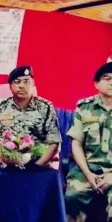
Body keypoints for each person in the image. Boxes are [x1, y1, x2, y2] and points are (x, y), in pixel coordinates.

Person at [65, 62, 112, 222]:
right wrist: (88, 174)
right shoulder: (84, 107)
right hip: (88, 169)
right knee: (73, 196)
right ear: (96, 84)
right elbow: (76, 143)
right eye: (107, 78)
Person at [0, 66, 61, 166]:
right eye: (17, 82)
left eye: (26, 81)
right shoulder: (1, 107)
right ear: (10, 86)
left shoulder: (45, 107)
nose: (21, 86)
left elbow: (54, 143)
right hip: (9, 165)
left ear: (33, 83)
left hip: (39, 165)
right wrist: (6, 158)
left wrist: (37, 166)